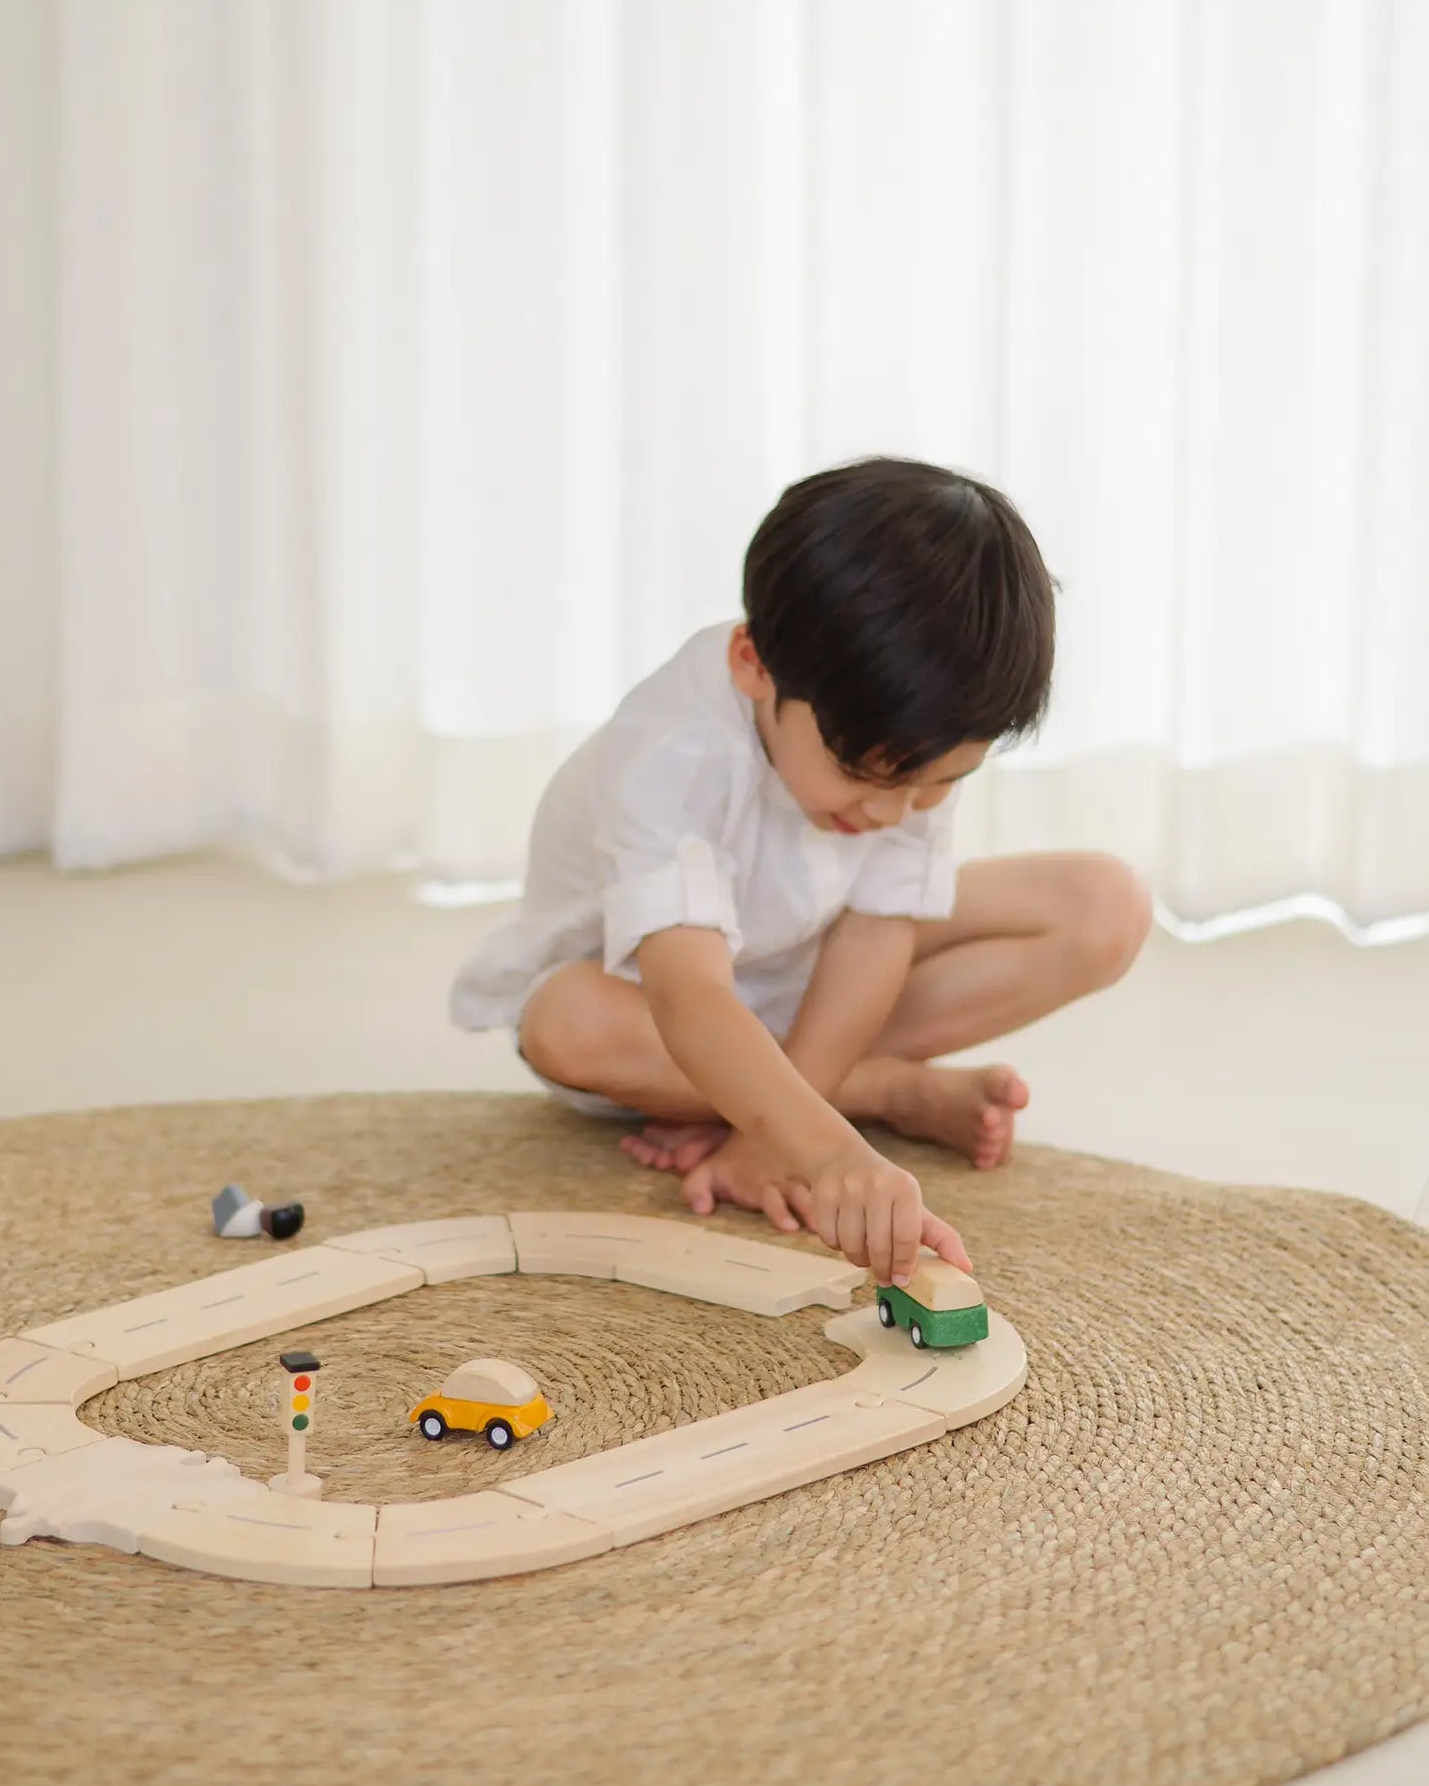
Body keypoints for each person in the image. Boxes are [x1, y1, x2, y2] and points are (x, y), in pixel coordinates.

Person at [450, 456, 1153, 1285]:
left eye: (939, 783)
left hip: (801, 976)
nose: (896, 811)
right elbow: (690, 996)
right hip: (655, 1007)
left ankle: (792, 1092)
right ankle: (880, 1091)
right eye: (866, 776)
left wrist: (772, 1142)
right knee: (564, 1023)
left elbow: (876, 935)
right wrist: (825, 1152)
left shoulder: (910, 740)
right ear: (752, 662)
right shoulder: (672, 750)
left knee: (1103, 905)